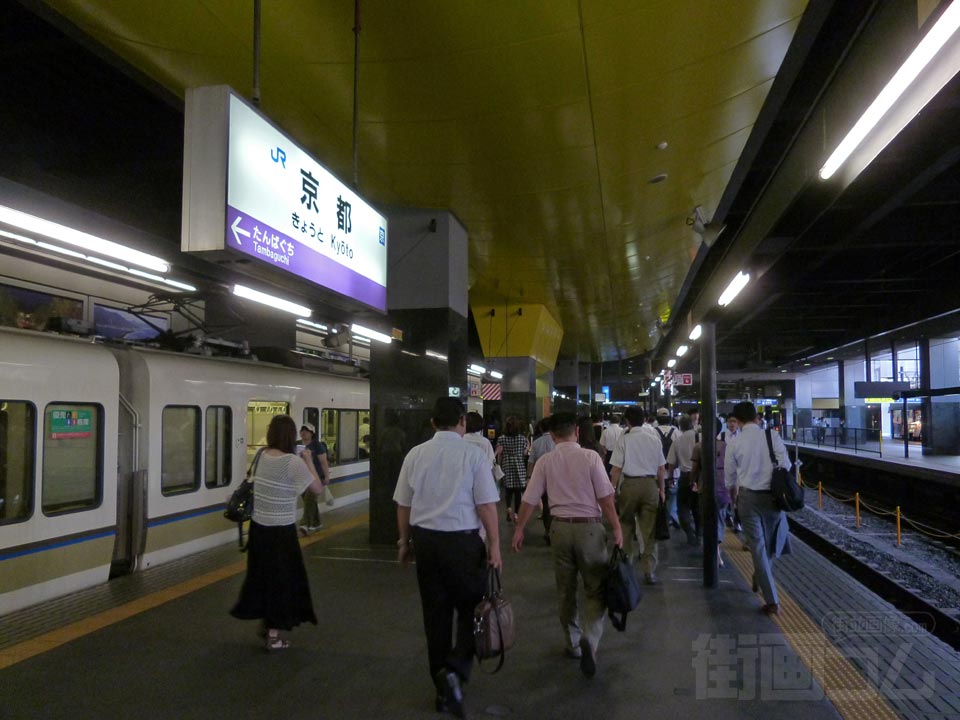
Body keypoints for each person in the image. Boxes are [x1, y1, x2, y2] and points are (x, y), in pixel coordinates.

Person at [393, 397, 501, 719]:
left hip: (426, 544)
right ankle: (455, 671)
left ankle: (442, 690)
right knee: (472, 611)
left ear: (432, 423)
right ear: (462, 422)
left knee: (435, 616)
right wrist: (494, 545)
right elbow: (485, 505)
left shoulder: (415, 454)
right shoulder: (473, 455)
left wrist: (404, 542)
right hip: (464, 544)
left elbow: (403, 504)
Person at [511, 412, 623, 678]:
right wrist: (617, 527)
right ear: (576, 432)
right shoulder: (591, 457)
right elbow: (606, 497)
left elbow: (529, 498)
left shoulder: (545, 461)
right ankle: (590, 639)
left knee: (565, 589)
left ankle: (572, 642)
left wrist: (519, 529)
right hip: (590, 529)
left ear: (551, 436)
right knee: (596, 589)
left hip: (559, 529)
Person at [231, 414, 325, 650]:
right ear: (291, 436)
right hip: (281, 533)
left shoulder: (262, 455)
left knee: (262, 576)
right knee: (282, 581)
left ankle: (266, 623)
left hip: (258, 530)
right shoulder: (292, 462)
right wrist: (309, 461)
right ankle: (273, 636)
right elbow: (317, 488)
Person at [724, 401, 791, 615]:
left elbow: (729, 477)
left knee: (759, 547)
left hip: (747, 498)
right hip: (772, 498)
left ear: (739, 420)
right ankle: (763, 576)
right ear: (756, 417)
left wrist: (733, 500)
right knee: (772, 544)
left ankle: (771, 599)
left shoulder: (734, 442)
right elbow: (786, 466)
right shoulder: (772, 437)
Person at [610, 405, 666, 584]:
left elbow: (616, 469)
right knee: (649, 531)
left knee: (626, 525)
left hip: (630, 485)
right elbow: (661, 468)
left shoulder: (624, 438)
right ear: (645, 419)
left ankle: (626, 565)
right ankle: (649, 571)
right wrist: (662, 490)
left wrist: (611, 490)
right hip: (650, 485)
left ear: (627, 421)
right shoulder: (654, 439)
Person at [666, 414, 699, 546]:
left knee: (682, 507)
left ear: (680, 426)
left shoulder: (677, 441)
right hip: (701, 477)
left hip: (685, 476)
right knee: (697, 507)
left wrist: (670, 478)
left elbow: (671, 463)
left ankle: (690, 533)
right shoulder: (701, 437)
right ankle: (700, 532)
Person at [527, 416, 555, 544]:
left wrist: (529, 477)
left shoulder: (536, 443)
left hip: (542, 478)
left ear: (541, 428)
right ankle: (556, 531)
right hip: (557, 478)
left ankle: (548, 531)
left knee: (546, 506)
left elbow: (531, 462)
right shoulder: (557, 442)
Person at [299, 422, 331, 533]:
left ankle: (305, 524)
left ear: (312, 433)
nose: (303, 433)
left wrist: (326, 476)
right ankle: (316, 522)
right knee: (310, 501)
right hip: (302, 478)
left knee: (309, 499)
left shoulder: (318, 445)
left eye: (306, 431)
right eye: (302, 430)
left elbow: (323, 462)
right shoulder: (297, 445)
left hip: (316, 478)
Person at [497, 416, 529, 523]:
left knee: (508, 490)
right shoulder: (522, 438)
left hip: (507, 464)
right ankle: (516, 514)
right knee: (518, 491)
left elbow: (500, 454)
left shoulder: (502, 438)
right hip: (519, 465)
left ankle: (508, 509)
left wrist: (500, 465)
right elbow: (525, 453)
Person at [463, 411, 502, 484]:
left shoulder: (460, 439)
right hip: (481, 480)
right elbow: (490, 463)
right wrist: (496, 452)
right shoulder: (485, 442)